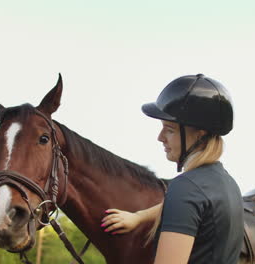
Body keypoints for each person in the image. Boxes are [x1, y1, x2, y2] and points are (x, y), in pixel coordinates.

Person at [101, 74, 244, 264]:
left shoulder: (186, 187)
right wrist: (138, 217)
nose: (160, 137)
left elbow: (187, 200)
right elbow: (189, 206)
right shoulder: (227, 184)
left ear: (199, 135)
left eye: (169, 129)